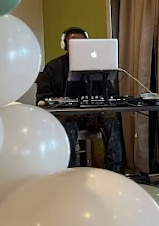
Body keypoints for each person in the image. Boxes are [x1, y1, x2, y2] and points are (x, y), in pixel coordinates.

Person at [36, 26, 126, 173]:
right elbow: (42, 98)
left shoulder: (98, 66)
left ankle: (114, 170)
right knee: (68, 125)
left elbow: (111, 94)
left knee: (112, 122)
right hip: (67, 115)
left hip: (93, 115)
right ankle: (71, 171)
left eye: (81, 43)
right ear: (64, 45)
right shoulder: (53, 67)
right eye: (72, 43)